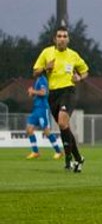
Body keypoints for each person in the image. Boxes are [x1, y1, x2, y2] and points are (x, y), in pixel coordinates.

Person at [32, 26, 89, 172]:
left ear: (68, 40)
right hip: (53, 95)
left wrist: (79, 77)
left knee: (63, 122)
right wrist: (45, 68)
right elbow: (35, 72)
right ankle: (78, 158)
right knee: (65, 128)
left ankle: (68, 158)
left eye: (64, 36)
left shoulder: (73, 55)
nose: (62, 39)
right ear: (55, 39)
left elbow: (85, 71)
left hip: (68, 92)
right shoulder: (47, 52)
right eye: (59, 36)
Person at [25, 73, 64, 160]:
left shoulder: (43, 79)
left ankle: (58, 151)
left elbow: (44, 92)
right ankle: (35, 152)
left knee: (46, 131)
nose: (34, 71)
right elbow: (39, 93)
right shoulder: (38, 80)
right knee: (29, 129)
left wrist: (33, 91)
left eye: (36, 69)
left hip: (42, 108)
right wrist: (32, 94)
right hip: (36, 108)